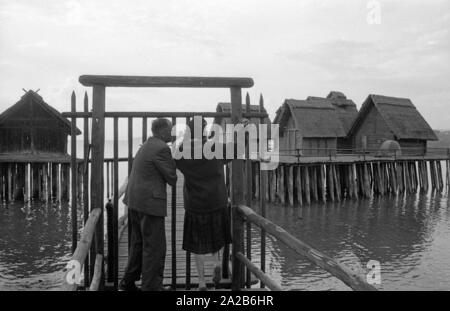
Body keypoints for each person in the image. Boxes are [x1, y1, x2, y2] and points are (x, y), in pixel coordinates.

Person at [174, 117, 248, 290]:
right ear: (205, 131)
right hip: (217, 200)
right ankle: (216, 263)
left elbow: (175, 162)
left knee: (196, 243)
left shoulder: (182, 150)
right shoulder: (214, 147)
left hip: (194, 202)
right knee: (217, 237)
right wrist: (241, 132)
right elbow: (237, 150)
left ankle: (201, 281)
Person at [119, 118, 177, 291]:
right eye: (170, 130)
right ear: (161, 131)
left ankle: (128, 282)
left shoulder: (146, 144)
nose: (172, 133)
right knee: (154, 247)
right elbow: (172, 178)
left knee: (137, 244)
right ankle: (152, 287)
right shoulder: (162, 148)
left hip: (134, 201)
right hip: (150, 204)